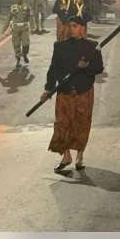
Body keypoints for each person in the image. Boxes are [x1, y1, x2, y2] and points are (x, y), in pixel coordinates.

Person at [41, 15, 104, 172]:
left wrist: (85, 67)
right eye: (70, 26)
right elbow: (53, 69)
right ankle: (66, 156)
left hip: (84, 92)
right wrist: (48, 89)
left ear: (82, 28)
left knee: (82, 123)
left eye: (75, 26)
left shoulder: (92, 47)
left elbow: (98, 68)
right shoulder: (60, 46)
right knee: (62, 124)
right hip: (65, 91)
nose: (71, 29)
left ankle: (80, 155)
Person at [4, 0, 32, 68]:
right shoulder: (13, 7)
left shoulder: (27, 6)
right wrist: (4, 29)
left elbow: (30, 16)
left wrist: (32, 27)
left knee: (26, 44)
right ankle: (18, 59)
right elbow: (8, 18)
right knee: (16, 44)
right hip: (15, 28)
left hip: (24, 27)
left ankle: (25, 54)